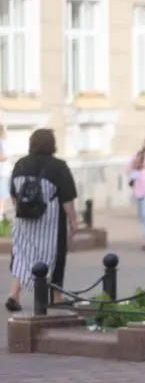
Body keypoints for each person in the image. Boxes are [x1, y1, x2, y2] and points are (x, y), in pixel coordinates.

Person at [6, 129, 78, 312]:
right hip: (50, 221)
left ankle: (14, 294)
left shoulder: (20, 164)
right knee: (54, 255)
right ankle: (56, 296)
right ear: (52, 144)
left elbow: (14, 194)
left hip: (23, 219)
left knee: (21, 254)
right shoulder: (58, 166)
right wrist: (73, 221)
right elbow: (67, 199)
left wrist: (22, 211)